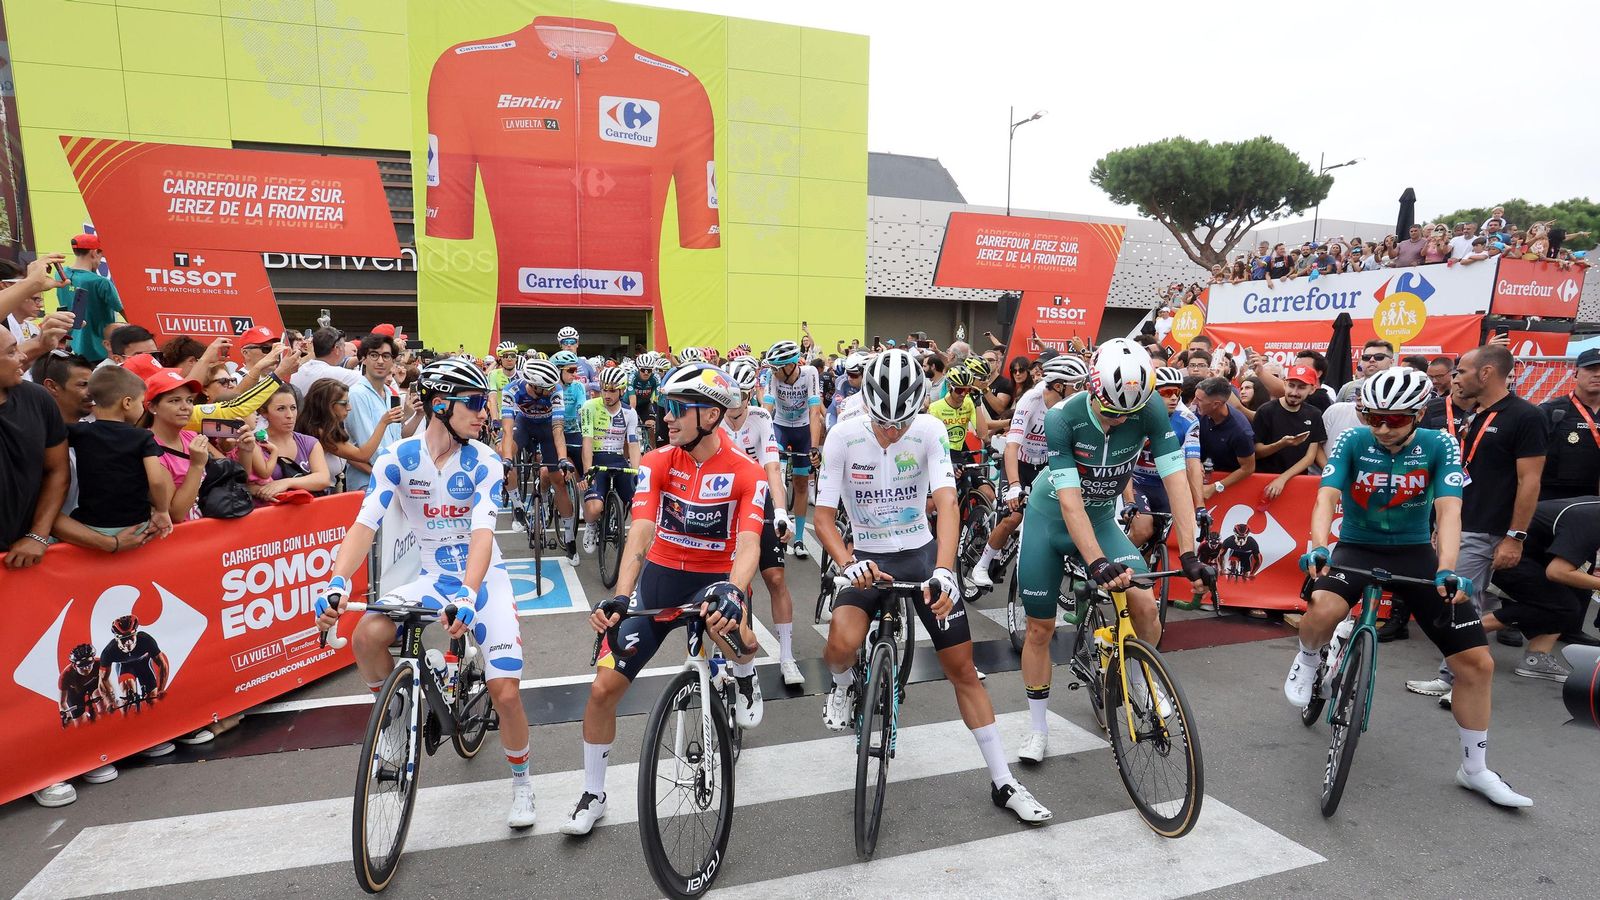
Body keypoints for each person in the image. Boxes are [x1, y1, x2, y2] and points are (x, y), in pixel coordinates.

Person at [814, 349, 1052, 823]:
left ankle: (1004, 781)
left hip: (921, 555)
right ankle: (842, 687)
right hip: (866, 555)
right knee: (840, 646)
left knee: (961, 667)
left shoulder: (929, 430)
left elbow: (946, 503)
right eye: (884, 423)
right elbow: (821, 517)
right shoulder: (843, 435)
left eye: (901, 423)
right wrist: (845, 563)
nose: (892, 432)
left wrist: (945, 569)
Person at [1290, 367, 1529, 807]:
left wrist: (1448, 568)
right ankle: (1308, 659)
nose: (1381, 428)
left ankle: (1474, 770)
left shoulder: (1440, 444)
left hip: (1416, 552)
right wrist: (1319, 546)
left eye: (1394, 419)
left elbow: (1450, 509)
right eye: (1372, 416)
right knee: (1323, 606)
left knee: (1477, 663)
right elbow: (1326, 496)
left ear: (1418, 414)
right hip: (1357, 547)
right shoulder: (1353, 440)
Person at [313, 357, 535, 827]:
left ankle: (523, 783)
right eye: (474, 404)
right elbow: (364, 524)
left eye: (486, 404)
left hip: (482, 579)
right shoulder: (399, 458)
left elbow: (482, 533)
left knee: (505, 692)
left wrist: (471, 594)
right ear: (440, 405)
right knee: (367, 635)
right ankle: (394, 722)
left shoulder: (485, 460)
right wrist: (335, 581)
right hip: (435, 578)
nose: (484, 414)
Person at [562, 362, 766, 836]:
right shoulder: (656, 462)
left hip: (715, 581)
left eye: (678, 409)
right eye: (665, 407)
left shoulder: (747, 472)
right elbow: (641, 531)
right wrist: (620, 597)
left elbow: (750, 543)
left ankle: (745, 672)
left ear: (711, 416)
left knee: (742, 640)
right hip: (660, 581)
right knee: (602, 690)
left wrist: (735, 591)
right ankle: (593, 793)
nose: (665, 417)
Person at [1014, 340, 1209, 764]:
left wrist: (1190, 550)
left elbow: (1176, 479)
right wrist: (1097, 561)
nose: (1117, 419)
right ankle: (1038, 728)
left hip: (1101, 519)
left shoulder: (1153, 409)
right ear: (1091, 388)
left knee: (1144, 604)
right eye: (1109, 410)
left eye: (1127, 413)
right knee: (1039, 629)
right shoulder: (1062, 417)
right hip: (1051, 520)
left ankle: (1139, 675)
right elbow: (1069, 501)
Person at [968, 356, 1087, 588]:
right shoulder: (1031, 399)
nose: (1082, 391)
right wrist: (1014, 486)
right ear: (1060, 386)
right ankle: (981, 565)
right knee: (1013, 516)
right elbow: (1012, 446)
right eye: (1077, 385)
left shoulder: (1072, 405)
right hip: (1019, 463)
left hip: (1044, 465)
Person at [721, 356, 803, 685]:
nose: (734, 404)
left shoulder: (760, 418)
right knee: (722, 581)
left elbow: (772, 469)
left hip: (759, 498)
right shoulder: (713, 419)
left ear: (752, 391)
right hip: (724, 501)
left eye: (741, 395)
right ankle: (719, 657)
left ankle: (787, 657)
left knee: (776, 579)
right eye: (729, 396)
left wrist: (781, 512)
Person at [1480, 496, 1600, 677]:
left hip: (1531, 552)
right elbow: (1557, 572)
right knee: (1565, 606)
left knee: (1569, 597)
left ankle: (1536, 659)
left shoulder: (1593, 508)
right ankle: (1473, 629)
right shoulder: (1591, 521)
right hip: (1506, 556)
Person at [65, 366, 175, 541]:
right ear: (127, 403)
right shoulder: (143, 436)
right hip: (137, 525)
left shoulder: (80, 432)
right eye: (141, 403)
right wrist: (162, 510)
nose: (143, 409)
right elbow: (156, 480)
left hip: (91, 525)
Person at [0, 326, 69, 569]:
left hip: (21, 560)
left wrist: (37, 535)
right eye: (11, 352)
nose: (22, 357)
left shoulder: (38, 399)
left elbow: (57, 470)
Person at [1123, 365, 1205, 552]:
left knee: (1156, 542)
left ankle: (1140, 580)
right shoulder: (1134, 418)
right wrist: (1129, 501)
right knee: (1143, 530)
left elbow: (1192, 464)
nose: (1174, 398)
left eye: (1177, 392)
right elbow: (1125, 463)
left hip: (1166, 485)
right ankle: (1110, 565)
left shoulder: (1188, 421)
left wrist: (1200, 506)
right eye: (1167, 392)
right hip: (1137, 481)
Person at [499, 356, 577, 550]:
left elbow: (558, 428)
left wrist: (562, 459)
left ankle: (569, 538)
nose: (553, 389)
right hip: (523, 425)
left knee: (558, 480)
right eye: (548, 387)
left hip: (548, 428)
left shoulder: (555, 390)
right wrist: (507, 459)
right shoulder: (512, 390)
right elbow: (508, 429)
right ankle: (517, 505)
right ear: (533, 386)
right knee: (502, 452)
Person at [763, 339, 823, 560]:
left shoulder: (810, 373)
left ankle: (798, 539)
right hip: (779, 426)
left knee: (800, 483)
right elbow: (767, 410)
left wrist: (814, 448)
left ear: (790, 366)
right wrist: (763, 440)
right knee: (774, 473)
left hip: (802, 430)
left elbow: (814, 412)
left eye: (776, 368)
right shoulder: (772, 376)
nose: (772, 372)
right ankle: (776, 522)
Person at [297, 379, 404, 493]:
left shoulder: (330, 428)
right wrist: (383, 423)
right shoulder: (319, 432)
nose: (349, 407)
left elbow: (350, 457)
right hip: (316, 496)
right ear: (326, 405)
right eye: (344, 404)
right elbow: (363, 455)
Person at [345, 331, 420, 493]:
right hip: (368, 483)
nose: (380, 361)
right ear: (364, 358)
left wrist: (416, 415)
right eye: (374, 355)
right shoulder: (357, 394)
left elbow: (396, 437)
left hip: (392, 479)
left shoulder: (390, 393)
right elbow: (367, 449)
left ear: (393, 360)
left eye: (386, 356)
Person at [578, 366, 643, 553]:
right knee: (595, 508)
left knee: (638, 505)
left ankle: (630, 535)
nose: (607, 394)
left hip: (617, 460)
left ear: (622, 391)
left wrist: (637, 471)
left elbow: (633, 444)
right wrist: (588, 471)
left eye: (612, 390)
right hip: (597, 460)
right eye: (604, 389)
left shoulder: (630, 413)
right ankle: (591, 526)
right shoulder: (590, 407)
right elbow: (587, 442)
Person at [1251, 365, 1327, 498]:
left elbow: (1310, 457)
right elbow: (1255, 452)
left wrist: (1283, 479)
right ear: (1285, 384)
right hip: (1263, 481)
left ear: (1312, 389)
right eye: (1291, 385)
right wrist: (1281, 444)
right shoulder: (1266, 411)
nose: (1294, 392)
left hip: (1296, 483)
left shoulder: (1314, 414)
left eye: (1302, 387)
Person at [247, 384, 333, 501]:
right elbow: (243, 484)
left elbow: (323, 478)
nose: (290, 415)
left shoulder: (309, 442)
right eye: (281, 409)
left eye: (293, 408)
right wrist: (258, 490)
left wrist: (286, 483)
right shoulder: (252, 443)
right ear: (263, 412)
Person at [56, 234, 122, 364]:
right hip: (100, 350)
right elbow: (123, 310)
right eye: (101, 257)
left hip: (71, 345)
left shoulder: (60, 275)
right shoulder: (100, 282)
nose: (100, 262)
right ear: (93, 253)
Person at [1191, 377, 1256, 500]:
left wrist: (1216, 486)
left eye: (1199, 399)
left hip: (1231, 489)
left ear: (1216, 404)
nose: (1194, 402)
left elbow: (1248, 468)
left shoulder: (1241, 431)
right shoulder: (1199, 413)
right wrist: (1195, 460)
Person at [288, 326, 362, 396]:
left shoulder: (295, 373)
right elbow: (370, 381)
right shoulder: (341, 375)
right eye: (343, 346)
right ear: (336, 349)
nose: (344, 350)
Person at [555, 326, 599, 393]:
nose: (569, 345)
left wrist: (588, 386)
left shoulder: (587, 364)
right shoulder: (554, 365)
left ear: (577, 344)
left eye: (572, 342)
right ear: (560, 345)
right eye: (565, 342)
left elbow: (600, 386)